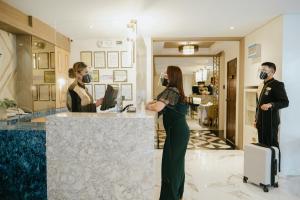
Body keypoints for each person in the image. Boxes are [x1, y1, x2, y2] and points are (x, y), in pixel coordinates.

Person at [146, 66, 190, 200]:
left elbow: (158, 106)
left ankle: (171, 197)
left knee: (170, 165)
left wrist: (148, 106)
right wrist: (152, 104)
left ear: (172, 76)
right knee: (176, 164)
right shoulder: (175, 91)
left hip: (176, 133)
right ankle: (176, 194)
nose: (164, 75)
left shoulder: (172, 90)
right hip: (179, 132)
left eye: (166, 73)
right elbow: (158, 103)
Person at [255, 62, 289, 147]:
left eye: (264, 70)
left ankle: (274, 160)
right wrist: (256, 119)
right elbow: (258, 104)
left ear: (272, 72)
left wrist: (271, 104)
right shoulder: (261, 85)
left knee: (272, 146)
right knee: (262, 146)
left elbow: (285, 102)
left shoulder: (277, 84)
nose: (261, 72)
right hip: (260, 122)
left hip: (270, 122)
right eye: (261, 69)